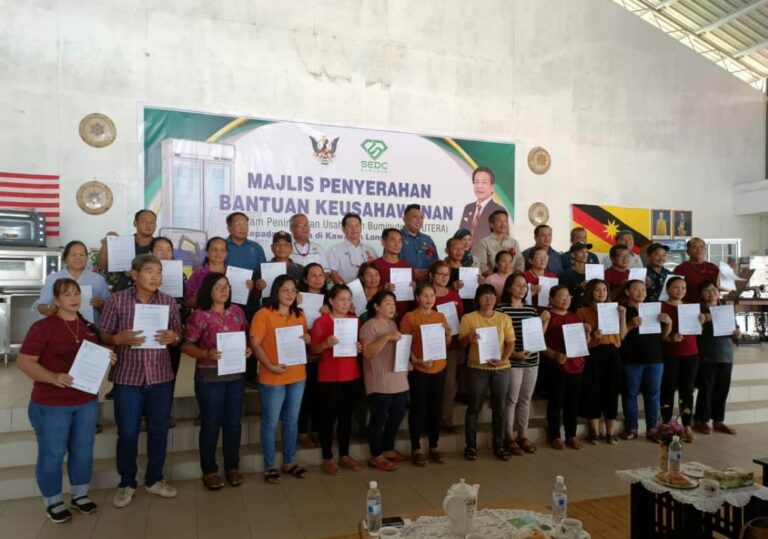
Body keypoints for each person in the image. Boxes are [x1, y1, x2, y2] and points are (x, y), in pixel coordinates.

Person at [17, 278, 116, 523]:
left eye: (76, 293)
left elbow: (91, 358)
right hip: (51, 403)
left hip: (85, 401)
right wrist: (53, 377)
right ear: (56, 300)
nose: (73, 298)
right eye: (67, 294)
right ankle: (53, 501)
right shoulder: (43, 327)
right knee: (52, 453)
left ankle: (80, 495)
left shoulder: (88, 328)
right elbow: (25, 361)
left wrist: (107, 357)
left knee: (83, 450)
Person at [99, 254, 182, 508]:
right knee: (128, 432)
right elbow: (104, 334)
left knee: (159, 430)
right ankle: (127, 482)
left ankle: (155, 479)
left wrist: (173, 338)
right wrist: (118, 339)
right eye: (149, 271)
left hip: (160, 376)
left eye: (159, 272)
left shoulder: (168, 302)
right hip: (128, 377)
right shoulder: (117, 300)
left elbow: (178, 335)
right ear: (135, 275)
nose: (156, 276)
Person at [181, 273, 250, 490]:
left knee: (233, 423)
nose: (224, 290)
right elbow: (186, 345)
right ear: (208, 290)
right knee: (211, 424)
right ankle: (209, 470)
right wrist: (205, 353)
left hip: (236, 377)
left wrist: (247, 350)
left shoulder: (237, 312)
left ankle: (232, 466)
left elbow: (245, 337)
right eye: (219, 287)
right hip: (209, 379)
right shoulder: (199, 316)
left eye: (226, 286)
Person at [249, 275, 310, 484]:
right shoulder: (263, 314)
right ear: (276, 292)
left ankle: (289, 462)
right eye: (285, 290)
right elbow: (255, 344)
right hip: (272, 376)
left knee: (292, 420)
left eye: (293, 290)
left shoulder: (299, 314)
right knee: (271, 422)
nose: (290, 294)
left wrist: (307, 339)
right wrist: (269, 366)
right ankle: (270, 466)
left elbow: (303, 339)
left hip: (297, 375)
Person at [310, 285, 363, 475]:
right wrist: (325, 344)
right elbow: (314, 349)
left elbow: (359, 345)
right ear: (331, 301)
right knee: (327, 418)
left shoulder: (354, 320)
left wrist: (359, 347)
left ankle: (345, 455)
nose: (345, 303)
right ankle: (327, 457)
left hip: (352, 374)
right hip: (329, 376)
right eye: (341, 299)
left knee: (346, 417)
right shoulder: (321, 322)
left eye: (348, 299)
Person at [459, 284, 515, 461]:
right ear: (478, 300)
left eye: (492, 295)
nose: (489, 299)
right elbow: (461, 343)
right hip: (477, 369)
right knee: (474, 407)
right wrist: (469, 338)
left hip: (501, 369)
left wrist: (504, 359)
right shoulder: (469, 318)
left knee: (500, 408)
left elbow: (510, 343)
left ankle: (499, 445)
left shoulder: (504, 318)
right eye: (485, 295)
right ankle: (470, 445)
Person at [496, 273, 550, 455]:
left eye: (524, 286)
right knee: (511, 399)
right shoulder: (501, 309)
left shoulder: (530, 309)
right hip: (512, 361)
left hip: (532, 360)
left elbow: (538, 336)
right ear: (509, 287)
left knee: (525, 399)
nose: (522, 289)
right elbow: (499, 338)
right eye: (517, 285)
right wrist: (514, 354)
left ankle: (522, 435)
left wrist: (545, 323)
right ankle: (508, 436)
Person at [400, 282, 452, 466]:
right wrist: (416, 360)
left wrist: (448, 334)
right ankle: (416, 448)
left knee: (435, 408)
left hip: (439, 367)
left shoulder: (440, 316)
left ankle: (434, 446)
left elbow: (445, 345)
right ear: (417, 297)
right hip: (419, 369)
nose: (429, 299)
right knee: (418, 408)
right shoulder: (409, 317)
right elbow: (404, 344)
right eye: (425, 295)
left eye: (432, 295)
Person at [360, 290, 409, 471]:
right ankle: (376, 455)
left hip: (397, 377)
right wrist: (386, 337)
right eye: (388, 303)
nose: (392, 307)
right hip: (379, 378)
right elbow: (368, 352)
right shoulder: (369, 326)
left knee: (398, 414)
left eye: (394, 303)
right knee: (378, 419)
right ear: (376, 306)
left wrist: (408, 362)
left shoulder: (393, 324)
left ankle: (388, 449)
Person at [576, 280, 627, 445]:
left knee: (611, 390)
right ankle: (594, 432)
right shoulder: (582, 311)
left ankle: (610, 432)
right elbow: (577, 340)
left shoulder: (613, 309)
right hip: (594, 354)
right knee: (593, 391)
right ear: (590, 292)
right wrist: (593, 336)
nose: (602, 293)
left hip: (612, 354)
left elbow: (621, 336)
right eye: (597, 290)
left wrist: (622, 316)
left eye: (604, 289)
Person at [620, 280, 672, 442]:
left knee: (653, 394)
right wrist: (630, 325)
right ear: (627, 292)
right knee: (630, 393)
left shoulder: (653, 309)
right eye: (636, 289)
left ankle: (652, 429)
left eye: (643, 289)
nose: (640, 292)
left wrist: (669, 324)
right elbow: (619, 338)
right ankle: (631, 428)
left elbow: (664, 336)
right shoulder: (622, 310)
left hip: (655, 358)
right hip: (631, 359)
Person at [543, 285, 590, 450]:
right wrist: (553, 354)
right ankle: (555, 435)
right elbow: (538, 342)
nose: (566, 300)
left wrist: (587, 336)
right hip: (557, 365)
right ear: (551, 299)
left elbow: (583, 343)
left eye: (568, 296)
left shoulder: (575, 317)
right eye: (561, 296)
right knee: (556, 401)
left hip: (576, 364)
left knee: (573, 401)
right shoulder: (547, 316)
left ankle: (571, 434)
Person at [660, 276, 706, 443]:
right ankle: (667, 424)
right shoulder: (661, 307)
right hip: (670, 354)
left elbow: (697, 331)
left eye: (683, 288)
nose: (680, 290)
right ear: (667, 289)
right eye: (676, 287)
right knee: (668, 389)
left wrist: (701, 322)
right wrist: (670, 337)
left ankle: (686, 425)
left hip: (691, 353)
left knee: (687, 391)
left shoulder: (690, 308)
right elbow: (657, 335)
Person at [694, 281, 740, 436]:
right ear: (701, 294)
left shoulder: (725, 309)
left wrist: (737, 333)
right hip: (707, 353)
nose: (711, 293)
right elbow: (692, 332)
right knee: (706, 388)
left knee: (722, 388)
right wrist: (702, 322)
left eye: (714, 289)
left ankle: (718, 420)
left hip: (725, 353)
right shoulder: (698, 310)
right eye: (707, 290)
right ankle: (702, 420)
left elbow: (735, 329)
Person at [150, 236, 188, 428]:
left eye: (168, 250)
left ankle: (164, 413)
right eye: (160, 249)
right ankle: (144, 414)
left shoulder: (180, 275)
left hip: (172, 331)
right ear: (151, 253)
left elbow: (185, 303)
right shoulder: (138, 275)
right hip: (148, 329)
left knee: (170, 372)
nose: (164, 253)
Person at [36, 240, 110, 326]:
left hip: (90, 328)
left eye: (82, 254)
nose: (78, 258)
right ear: (65, 258)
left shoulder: (98, 280)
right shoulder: (52, 279)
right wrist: (51, 307)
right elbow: (41, 308)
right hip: (61, 327)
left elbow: (110, 310)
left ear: (87, 257)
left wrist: (101, 304)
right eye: (73, 254)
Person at [429, 260, 465, 433]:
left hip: (451, 348)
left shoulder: (454, 295)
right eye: (440, 274)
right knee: (431, 386)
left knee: (449, 385)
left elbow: (461, 321)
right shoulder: (426, 295)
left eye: (447, 275)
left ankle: (446, 420)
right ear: (431, 275)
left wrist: (461, 347)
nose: (444, 277)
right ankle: (429, 421)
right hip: (431, 348)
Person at [296, 262, 329, 450]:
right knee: (304, 394)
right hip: (301, 352)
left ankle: (317, 429)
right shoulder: (297, 298)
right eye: (313, 275)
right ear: (305, 279)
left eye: (321, 275)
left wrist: (329, 313)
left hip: (324, 353)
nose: (317, 278)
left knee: (320, 394)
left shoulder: (330, 299)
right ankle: (302, 432)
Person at [98, 209, 157, 292]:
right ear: (135, 223)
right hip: (123, 291)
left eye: (152, 222)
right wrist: (106, 245)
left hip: (151, 291)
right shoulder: (122, 243)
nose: (148, 225)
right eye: (144, 221)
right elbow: (102, 266)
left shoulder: (160, 246)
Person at [224, 211, 267, 320]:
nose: (243, 228)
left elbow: (262, 275)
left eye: (245, 224)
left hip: (251, 305)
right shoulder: (221, 246)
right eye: (238, 224)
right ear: (229, 228)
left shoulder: (256, 248)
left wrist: (259, 285)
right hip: (224, 304)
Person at [459, 166, 506, 248]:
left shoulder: (499, 211)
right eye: (476, 182)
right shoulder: (468, 208)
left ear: (492, 187)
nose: (479, 186)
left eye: (484, 182)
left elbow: (502, 242)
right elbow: (460, 236)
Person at [373, 228, 414, 320]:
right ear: (383, 242)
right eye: (393, 240)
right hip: (381, 317)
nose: (397, 244)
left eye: (399, 241)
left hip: (404, 315)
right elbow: (367, 292)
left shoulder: (407, 266)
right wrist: (383, 289)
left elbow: (413, 298)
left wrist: (414, 289)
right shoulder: (375, 265)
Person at [327, 213, 378, 284]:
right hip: (344, 289)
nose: (354, 229)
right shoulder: (335, 250)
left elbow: (376, 271)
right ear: (343, 229)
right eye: (350, 226)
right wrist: (345, 289)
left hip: (367, 289)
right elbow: (333, 273)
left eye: (357, 225)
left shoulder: (370, 249)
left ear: (361, 228)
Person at [473, 209, 524, 276]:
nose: (503, 224)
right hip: (492, 279)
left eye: (505, 221)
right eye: (499, 221)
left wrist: (514, 278)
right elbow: (482, 265)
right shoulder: (484, 242)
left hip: (511, 280)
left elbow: (520, 262)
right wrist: (496, 278)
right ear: (491, 224)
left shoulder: (514, 242)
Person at [184, 236, 228, 309]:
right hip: (204, 314)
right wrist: (206, 298)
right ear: (207, 253)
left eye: (222, 250)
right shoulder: (198, 274)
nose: (218, 253)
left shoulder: (233, 273)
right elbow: (187, 302)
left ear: (226, 253)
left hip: (230, 314)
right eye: (214, 249)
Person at [673, 237, 719, 303]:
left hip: (712, 305)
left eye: (701, 247)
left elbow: (722, 287)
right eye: (694, 247)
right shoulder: (680, 269)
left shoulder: (713, 267)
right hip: (690, 305)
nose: (699, 250)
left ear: (705, 250)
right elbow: (673, 291)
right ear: (688, 251)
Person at [400, 204, 439, 281]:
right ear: (404, 218)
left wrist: (430, 273)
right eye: (415, 217)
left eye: (421, 218)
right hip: (404, 282)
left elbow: (435, 262)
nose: (419, 220)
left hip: (426, 283)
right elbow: (389, 262)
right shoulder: (396, 237)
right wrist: (411, 274)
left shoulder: (427, 239)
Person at [558, 242, 591, 312]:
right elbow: (562, 296)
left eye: (586, 252)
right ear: (573, 254)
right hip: (572, 311)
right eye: (581, 252)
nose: (585, 254)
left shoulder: (593, 272)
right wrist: (578, 288)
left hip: (590, 310)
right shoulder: (565, 275)